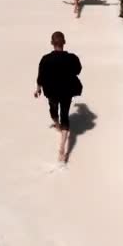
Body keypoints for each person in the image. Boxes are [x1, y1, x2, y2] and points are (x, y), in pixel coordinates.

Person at [34, 31, 83, 162]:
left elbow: (41, 77)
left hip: (52, 91)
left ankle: (57, 125)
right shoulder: (72, 58)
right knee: (65, 115)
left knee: (53, 109)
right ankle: (62, 147)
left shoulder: (45, 59)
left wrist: (38, 89)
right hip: (67, 91)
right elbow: (78, 70)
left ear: (52, 43)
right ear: (64, 43)